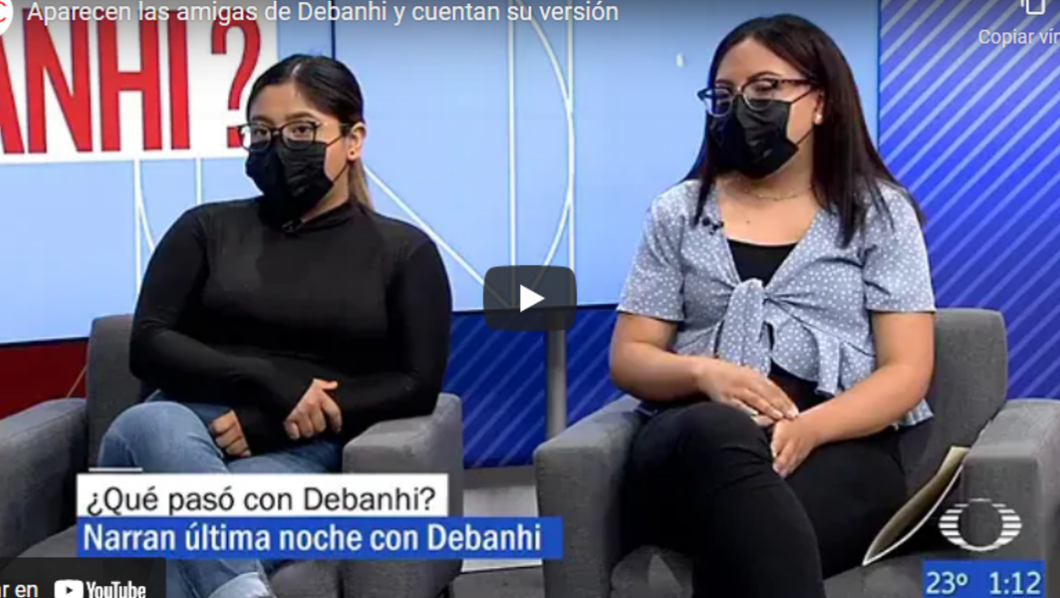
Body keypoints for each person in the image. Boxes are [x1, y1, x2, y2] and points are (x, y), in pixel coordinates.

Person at [96, 55, 453, 598]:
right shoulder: (205, 228)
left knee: (184, 541)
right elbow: (147, 345)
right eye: (262, 132)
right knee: (153, 422)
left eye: (302, 130)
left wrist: (272, 422)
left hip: (302, 454)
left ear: (353, 140)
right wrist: (269, 382)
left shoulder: (403, 252)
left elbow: (416, 383)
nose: (279, 146)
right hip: (168, 435)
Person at [612, 15, 935, 598]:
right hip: (693, 439)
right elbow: (631, 357)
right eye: (725, 95)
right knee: (720, 434)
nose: (742, 109)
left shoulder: (879, 214)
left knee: (754, 534)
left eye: (765, 89)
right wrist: (704, 374)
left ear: (821, 103)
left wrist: (810, 429)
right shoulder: (678, 212)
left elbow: (907, 370)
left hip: (837, 441)